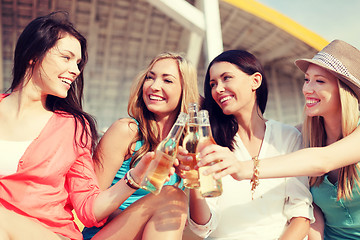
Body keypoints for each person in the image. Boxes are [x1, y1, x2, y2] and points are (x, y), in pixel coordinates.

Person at [0, 12, 187, 240]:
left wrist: (135, 176)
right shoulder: (127, 129)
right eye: (66, 58)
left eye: (78, 63)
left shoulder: (73, 127)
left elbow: (89, 209)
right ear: (33, 56)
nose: (76, 70)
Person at [197, 40, 360, 240]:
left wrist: (242, 168)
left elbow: (322, 161)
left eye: (319, 81)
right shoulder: (304, 137)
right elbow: (314, 213)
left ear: (344, 90)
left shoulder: (309, 145)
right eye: (306, 80)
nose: (307, 89)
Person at [179, 49, 314, 239]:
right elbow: (203, 226)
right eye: (213, 84)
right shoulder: (209, 144)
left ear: (255, 81)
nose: (218, 89)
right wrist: (193, 181)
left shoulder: (288, 137)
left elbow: (301, 216)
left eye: (227, 78)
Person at [82, 52, 199, 239]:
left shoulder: (185, 147)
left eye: (167, 81)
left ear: (185, 90)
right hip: (104, 234)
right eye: (150, 78)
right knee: (173, 197)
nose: (154, 86)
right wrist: (144, 219)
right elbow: (89, 205)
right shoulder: (126, 131)